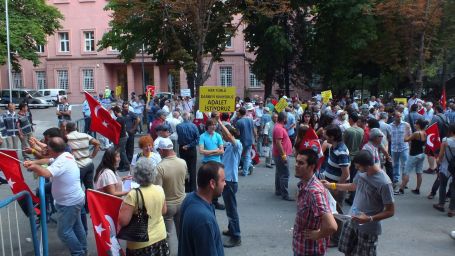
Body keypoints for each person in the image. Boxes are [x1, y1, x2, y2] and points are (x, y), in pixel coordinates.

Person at [322, 150, 395, 256]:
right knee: (347, 251)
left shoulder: (384, 183)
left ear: (367, 166)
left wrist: (369, 218)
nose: (356, 169)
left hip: (368, 228)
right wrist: (332, 185)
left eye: (358, 167)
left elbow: (390, 211)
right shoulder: (362, 173)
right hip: (351, 220)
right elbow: (353, 186)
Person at [24, 137, 87, 256]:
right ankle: (83, 249)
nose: (46, 148)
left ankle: (78, 253)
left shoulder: (62, 160)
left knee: (64, 232)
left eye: (48, 147)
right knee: (77, 227)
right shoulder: (64, 155)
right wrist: (33, 162)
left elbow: (46, 172)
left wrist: (33, 167)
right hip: (74, 200)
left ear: (53, 150)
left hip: (69, 203)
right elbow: (47, 160)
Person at [118, 158, 169, 255]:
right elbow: (163, 211)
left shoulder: (133, 195)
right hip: (160, 236)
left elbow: (123, 221)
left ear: (136, 174)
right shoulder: (159, 189)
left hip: (140, 242)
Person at [293, 149, 338, 256]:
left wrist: (318, 235)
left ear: (312, 167)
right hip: (301, 246)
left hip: (309, 250)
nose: (296, 165)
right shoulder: (303, 185)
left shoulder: (314, 192)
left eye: (301, 163)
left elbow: (332, 226)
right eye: (296, 161)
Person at [178, 161, 225, 256]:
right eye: (223, 180)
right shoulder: (203, 219)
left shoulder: (190, 198)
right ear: (212, 183)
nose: (225, 184)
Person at [154, 138, 187, 253]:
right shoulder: (183, 162)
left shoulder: (160, 167)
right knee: (181, 232)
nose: (158, 152)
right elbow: (185, 179)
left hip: (167, 205)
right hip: (182, 201)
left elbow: (158, 190)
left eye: (159, 150)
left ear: (163, 150)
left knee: (166, 235)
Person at [217, 118, 243, 247]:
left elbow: (228, 135)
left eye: (225, 135)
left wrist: (220, 123)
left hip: (230, 181)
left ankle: (236, 236)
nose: (223, 136)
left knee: (231, 209)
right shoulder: (228, 144)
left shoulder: (236, 144)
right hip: (227, 180)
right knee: (229, 206)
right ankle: (231, 229)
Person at [323, 124, 351, 211]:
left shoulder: (341, 151)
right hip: (330, 183)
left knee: (336, 211)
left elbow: (345, 174)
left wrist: (336, 187)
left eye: (326, 136)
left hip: (336, 185)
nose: (325, 138)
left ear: (332, 137)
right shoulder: (333, 146)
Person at [396, 119, 428, 195]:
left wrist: (406, 131)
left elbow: (406, 139)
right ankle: (417, 189)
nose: (414, 125)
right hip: (421, 154)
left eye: (416, 123)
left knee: (406, 171)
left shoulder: (416, 133)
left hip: (414, 155)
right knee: (419, 172)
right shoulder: (424, 133)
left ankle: (401, 189)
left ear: (419, 125)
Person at [433, 123, 455, 217]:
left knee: (443, 185)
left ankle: (441, 204)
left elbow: (441, 156)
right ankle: (452, 209)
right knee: (454, 189)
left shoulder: (445, 141)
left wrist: (437, 162)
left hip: (445, 167)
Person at [176, 112, 200, 192]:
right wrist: (189, 145)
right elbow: (197, 139)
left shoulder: (178, 126)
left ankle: (185, 186)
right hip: (191, 148)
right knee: (192, 168)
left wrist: (186, 146)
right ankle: (193, 188)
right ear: (189, 117)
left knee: (184, 168)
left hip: (182, 148)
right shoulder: (193, 126)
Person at [273, 112, 294, 201]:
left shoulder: (280, 127)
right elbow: (278, 143)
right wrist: (284, 156)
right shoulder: (279, 128)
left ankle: (278, 190)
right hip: (281, 155)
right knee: (285, 174)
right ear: (284, 119)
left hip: (280, 155)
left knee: (279, 173)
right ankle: (284, 194)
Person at [390, 111, 411, 189]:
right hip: (394, 148)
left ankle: (404, 181)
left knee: (404, 165)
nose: (399, 118)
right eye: (397, 116)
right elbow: (389, 137)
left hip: (404, 148)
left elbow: (410, 136)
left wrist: (410, 146)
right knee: (395, 164)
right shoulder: (390, 126)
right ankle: (395, 179)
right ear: (394, 117)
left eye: (400, 116)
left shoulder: (406, 125)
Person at [235, 107, 256, 176]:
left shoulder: (238, 122)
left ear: (240, 113)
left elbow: (238, 134)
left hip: (242, 141)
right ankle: (247, 168)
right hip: (250, 140)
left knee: (242, 156)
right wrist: (255, 137)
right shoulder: (250, 120)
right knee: (246, 156)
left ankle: (245, 170)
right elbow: (254, 130)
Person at [112, 105, 130, 172]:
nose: (114, 114)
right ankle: (122, 165)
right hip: (123, 136)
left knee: (122, 152)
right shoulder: (122, 118)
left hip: (121, 138)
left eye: (114, 112)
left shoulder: (119, 119)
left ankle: (126, 166)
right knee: (121, 152)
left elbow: (116, 129)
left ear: (116, 112)